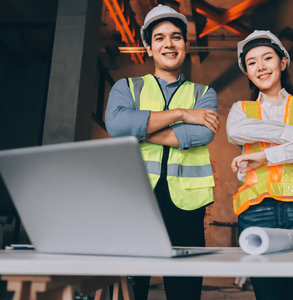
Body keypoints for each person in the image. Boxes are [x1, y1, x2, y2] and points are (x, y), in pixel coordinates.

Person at [105, 4, 219, 300]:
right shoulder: (126, 87)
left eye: (176, 37)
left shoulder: (204, 94)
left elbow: (201, 133)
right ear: (148, 47)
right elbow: (117, 126)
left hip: (187, 204)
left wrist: (139, 127)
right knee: (129, 288)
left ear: (186, 44)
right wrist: (181, 113)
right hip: (135, 199)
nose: (169, 43)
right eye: (159, 38)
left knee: (185, 290)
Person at [226, 30, 293, 300]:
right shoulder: (241, 111)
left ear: (282, 62)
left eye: (267, 58)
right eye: (252, 62)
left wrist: (266, 156)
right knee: (268, 295)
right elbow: (235, 131)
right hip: (257, 213)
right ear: (247, 72)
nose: (260, 67)